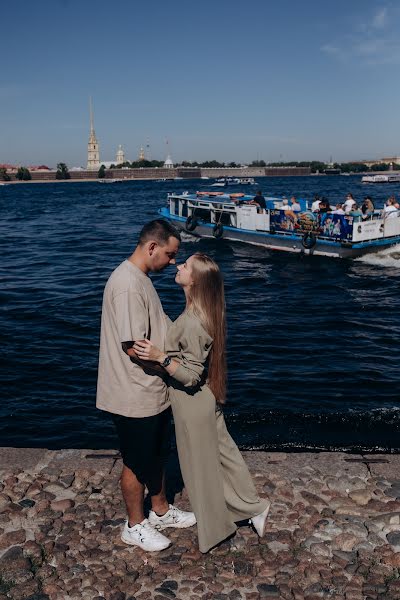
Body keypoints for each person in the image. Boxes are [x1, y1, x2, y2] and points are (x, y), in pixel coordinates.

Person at [132, 253, 271, 554]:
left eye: (185, 266)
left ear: (194, 280)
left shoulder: (194, 321)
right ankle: (254, 508)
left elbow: (191, 375)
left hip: (191, 403)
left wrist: (160, 357)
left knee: (200, 470)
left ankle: (219, 528)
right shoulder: (200, 312)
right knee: (226, 457)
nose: (178, 266)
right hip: (204, 400)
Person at [96, 219, 196, 552]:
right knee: (136, 461)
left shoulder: (142, 279)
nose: (171, 263)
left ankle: (161, 510)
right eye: (169, 255)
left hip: (152, 391)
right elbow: (134, 347)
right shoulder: (127, 284)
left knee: (156, 454)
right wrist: (175, 367)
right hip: (132, 393)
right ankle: (135, 526)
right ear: (152, 247)